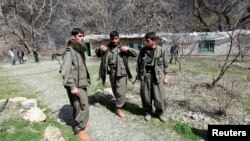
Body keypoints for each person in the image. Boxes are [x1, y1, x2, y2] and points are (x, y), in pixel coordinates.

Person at [95, 31, 137, 118]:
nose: (114, 40)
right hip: (112, 72)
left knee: (120, 91)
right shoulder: (106, 49)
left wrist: (128, 49)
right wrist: (100, 48)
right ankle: (120, 103)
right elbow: (98, 54)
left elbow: (136, 53)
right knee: (115, 90)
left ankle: (118, 108)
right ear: (110, 38)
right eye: (112, 38)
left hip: (122, 72)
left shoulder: (122, 48)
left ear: (119, 38)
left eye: (116, 38)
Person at [61, 28, 91, 141]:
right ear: (73, 37)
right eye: (79, 36)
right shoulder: (70, 51)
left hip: (81, 83)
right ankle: (79, 129)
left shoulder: (78, 49)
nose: (82, 38)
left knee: (80, 105)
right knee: (82, 106)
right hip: (75, 84)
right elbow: (65, 70)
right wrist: (72, 86)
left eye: (83, 35)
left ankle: (82, 122)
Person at [136, 32, 169, 122]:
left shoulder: (161, 50)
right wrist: (139, 75)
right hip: (146, 75)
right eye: (145, 41)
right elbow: (139, 63)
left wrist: (166, 77)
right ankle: (148, 112)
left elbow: (166, 65)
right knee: (146, 96)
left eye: (148, 41)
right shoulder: (143, 50)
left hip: (157, 76)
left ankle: (160, 113)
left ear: (154, 40)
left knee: (159, 97)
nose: (145, 43)